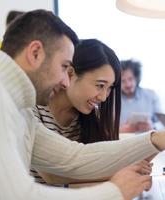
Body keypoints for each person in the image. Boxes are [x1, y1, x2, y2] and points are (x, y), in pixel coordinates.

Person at [0, 9, 165, 200]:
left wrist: (157, 139)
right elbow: (19, 196)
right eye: (64, 66)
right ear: (35, 53)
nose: (65, 80)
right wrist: (115, 192)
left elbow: (73, 157)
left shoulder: (21, 110)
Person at [31, 39, 152, 185]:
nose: (103, 97)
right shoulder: (33, 110)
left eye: (109, 88)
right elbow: (52, 175)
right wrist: (120, 171)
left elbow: (104, 155)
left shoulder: (91, 115)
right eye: (100, 85)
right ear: (70, 74)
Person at [120, 59, 162, 132]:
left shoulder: (151, 95)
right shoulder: (112, 100)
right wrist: (119, 130)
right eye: (123, 81)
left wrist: (152, 126)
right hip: (122, 140)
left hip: (148, 140)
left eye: (130, 79)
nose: (128, 84)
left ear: (136, 78)